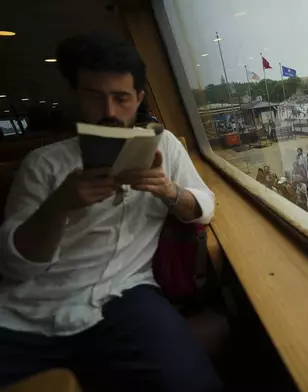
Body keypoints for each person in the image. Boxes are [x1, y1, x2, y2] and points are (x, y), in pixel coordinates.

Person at [0, 34, 220, 391]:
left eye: (121, 98)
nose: (108, 112)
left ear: (139, 99)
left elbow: (204, 206)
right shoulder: (43, 164)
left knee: (192, 383)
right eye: (94, 96)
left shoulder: (162, 146)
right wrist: (59, 206)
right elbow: (17, 267)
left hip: (126, 294)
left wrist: (169, 191)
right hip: (31, 309)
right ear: (76, 95)